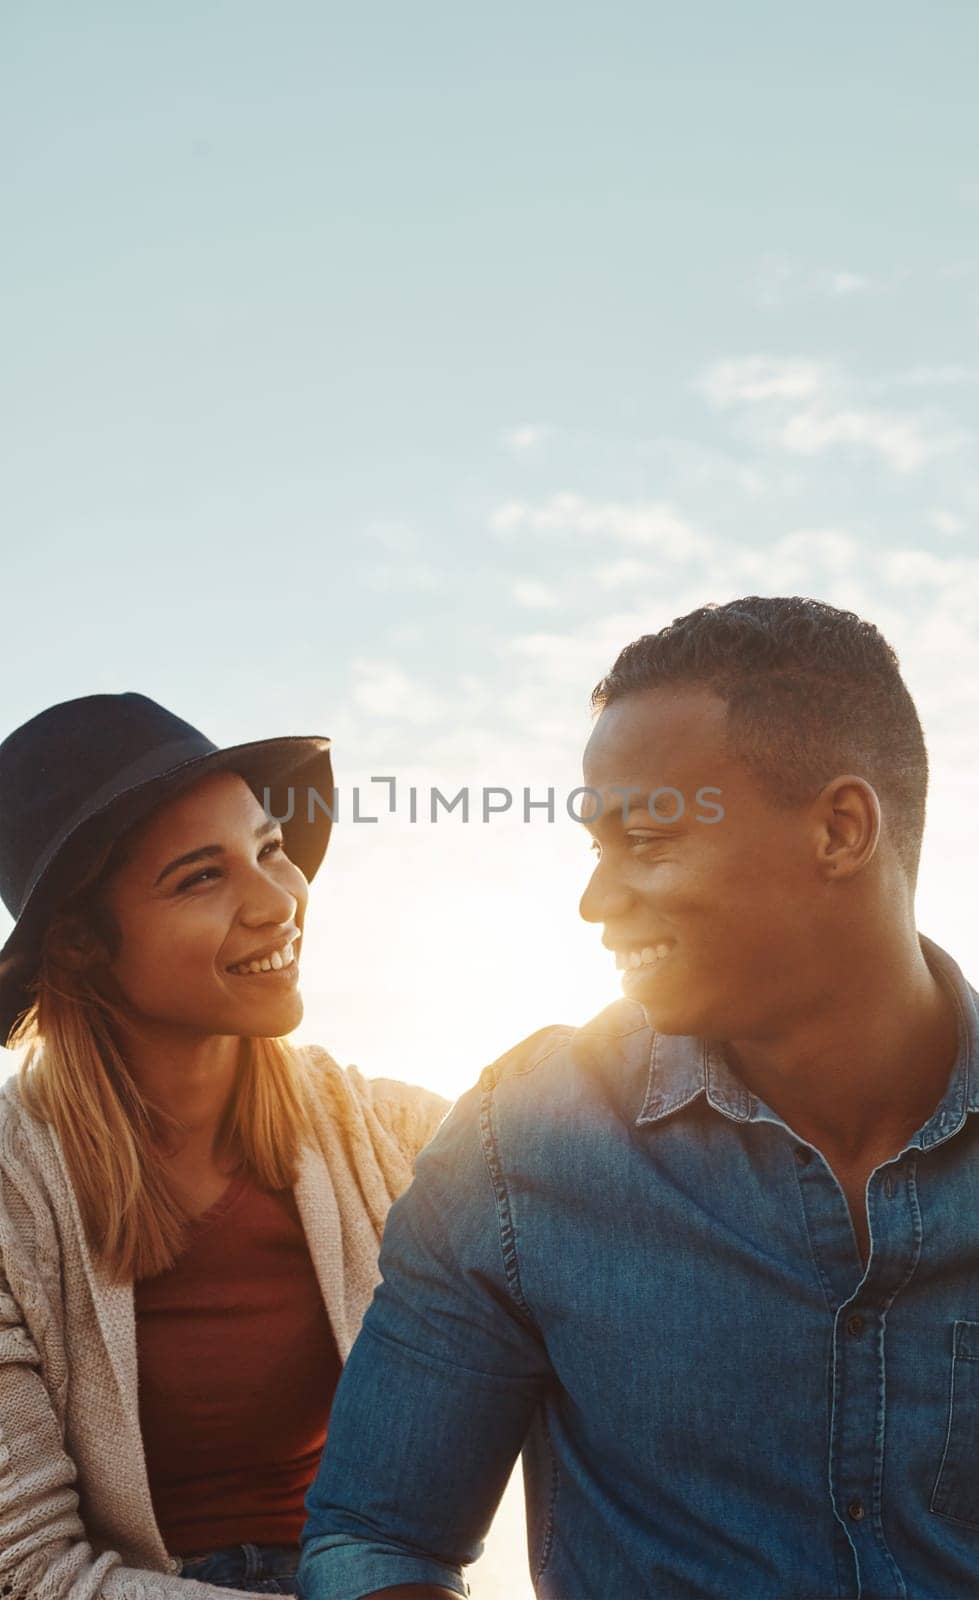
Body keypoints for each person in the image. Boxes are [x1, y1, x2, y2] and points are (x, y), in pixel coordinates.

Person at [298, 594, 979, 1600]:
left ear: (839, 829)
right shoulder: (517, 1145)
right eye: (595, 848)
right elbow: (374, 1539)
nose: (594, 902)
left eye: (647, 842)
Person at [0, 691, 448, 1600]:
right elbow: (29, 1570)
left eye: (270, 850)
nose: (277, 902)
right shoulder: (13, 1195)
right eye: (201, 877)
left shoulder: (389, 1135)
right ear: (81, 945)